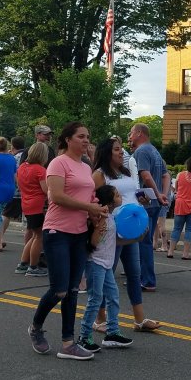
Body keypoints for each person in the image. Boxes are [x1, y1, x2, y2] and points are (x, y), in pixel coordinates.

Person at [27, 121, 108, 359]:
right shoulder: (58, 163)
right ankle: (36, 328)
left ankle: (68, 344)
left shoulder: (85, 166)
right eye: (81, 136)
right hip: (57, 232)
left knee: (73, 290)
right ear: (67, 139)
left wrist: (97, 210)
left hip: (79, 233)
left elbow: (89, 195)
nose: (86, 140)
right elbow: (57, 196)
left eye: (87, 136)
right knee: (60, 290)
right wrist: (88, 207)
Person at [92, 136, 161, 332]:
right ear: (106, 153)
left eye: (121, 148)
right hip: (112, 231)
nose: (121, 151)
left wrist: (143, 200)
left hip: (132, 229)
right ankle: (99, 318)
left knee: (134, 273)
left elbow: (132, 195)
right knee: (107, 274)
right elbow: (94, 201)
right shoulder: (99, 175)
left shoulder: (125, 172)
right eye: (116, 149)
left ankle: (139, 319)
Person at [77, 184, 134, 352]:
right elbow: (94, 242)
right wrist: (99, 224)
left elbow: (114, 241)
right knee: (95, 298)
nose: (120, 196)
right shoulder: (100, 217)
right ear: (109, 202)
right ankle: (84, 336)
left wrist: (137, 237)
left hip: (106, 263)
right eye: (117, 195)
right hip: (95, 262)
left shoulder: (111, 217)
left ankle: (112, 333)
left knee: (113, 296)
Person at [128, 122, 170, 292]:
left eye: (131, 132)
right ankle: (142, 277)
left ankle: (147, 280)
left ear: (139, 133)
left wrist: (158, 194)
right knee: (145, 241)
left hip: (145, 202)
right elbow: (166, 175)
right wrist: (163, 194)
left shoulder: (141, 151)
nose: (130, 136)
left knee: (142, 243)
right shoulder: (155, 151)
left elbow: (145, 175)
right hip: (155, 204)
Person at [14, 141, 49, 276]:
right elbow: (46, 190)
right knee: (39, 236)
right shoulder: (40, 170)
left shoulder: (22, 167)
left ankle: (23, 263)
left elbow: (19, 185)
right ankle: (33, 266)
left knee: (34, 235)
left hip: (26, 204)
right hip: (38, 205)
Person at [167, 156, 191, 260]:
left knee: (176, 228)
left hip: (180, 204)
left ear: (187, 165)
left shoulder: (180, 175)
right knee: (189, 230)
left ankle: (170, 251)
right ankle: (185, 254)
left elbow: (176, 189)